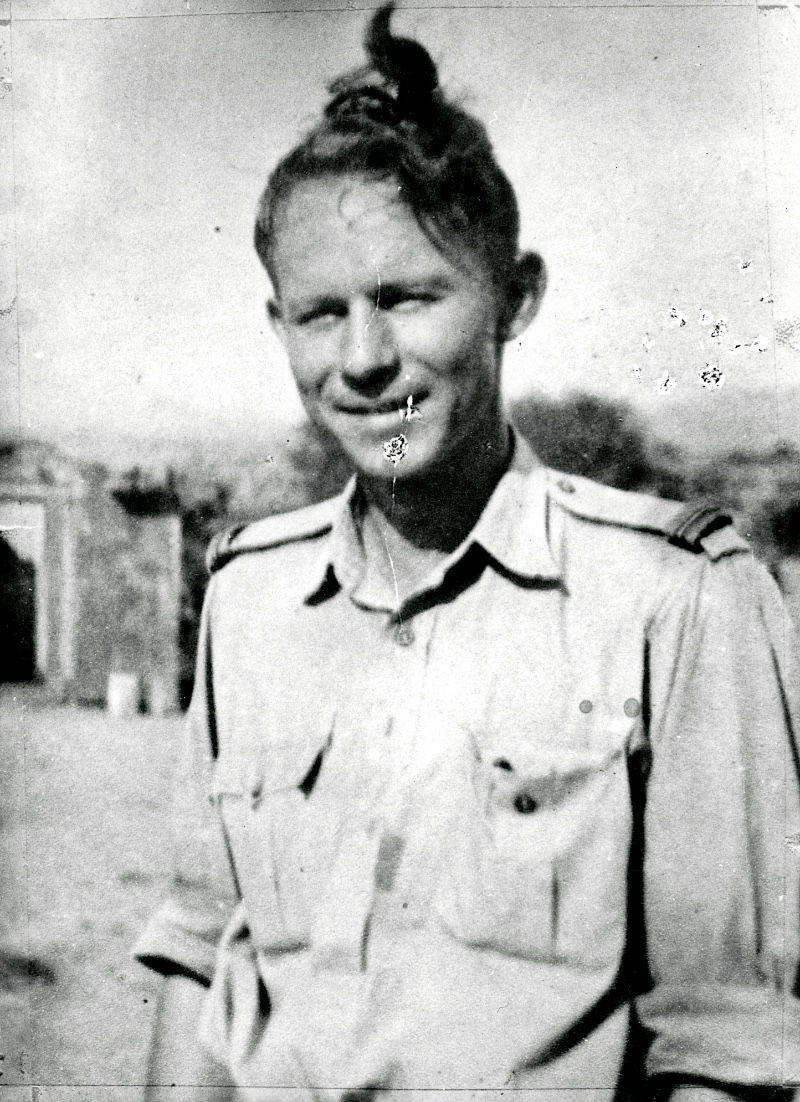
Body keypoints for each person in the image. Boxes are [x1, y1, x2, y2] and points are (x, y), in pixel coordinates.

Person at [135, 7, 800, 1101]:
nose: (362, 360)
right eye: (319, 314)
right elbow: (203, 964)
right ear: (276, 326)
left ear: (514, 297)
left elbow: (726, 1047)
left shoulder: (675, 600)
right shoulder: (249, 596)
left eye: (406, 298)